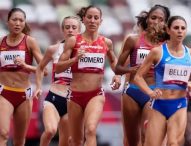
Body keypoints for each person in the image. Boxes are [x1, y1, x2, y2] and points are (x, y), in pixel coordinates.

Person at [55, 5, 121, 146]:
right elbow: (58, 68)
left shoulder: (106, 42)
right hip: (75, 96)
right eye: (89, 17)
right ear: (83, 20)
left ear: (100, 21)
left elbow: (114, 61)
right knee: (76, 140)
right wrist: (74, 60)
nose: (92, 20)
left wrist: (118, 75)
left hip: (95, 94)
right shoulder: (73, 41)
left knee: (90, 130)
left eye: (96, 18)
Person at [114, 4, 170, 146]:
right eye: (153, 18)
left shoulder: (167, 44)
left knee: (147, 136)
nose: (156, 22)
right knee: (131, 141)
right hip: (131, 91)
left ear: (165, 23)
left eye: (160, 19)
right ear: (147, 19)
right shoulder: (133, 40)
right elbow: (118, 68)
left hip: (152, 91)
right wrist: (130, 71)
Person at [134, 15, 190, 146]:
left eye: (183, 28)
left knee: (173, 143)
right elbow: (138, 77)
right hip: (159, 105)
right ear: (168, 30)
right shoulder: (157, 52)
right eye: (176, 28)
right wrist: (149, 92)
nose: (180, 31)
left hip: (179, 105)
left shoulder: (190, 55)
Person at [34, 16, 81, 146]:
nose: (70, 30)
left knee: (66, 141)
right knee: (50, 130)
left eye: (74, 27)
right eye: (67, 27)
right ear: (62, 30)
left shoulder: (84, 51)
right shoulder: (53, 49)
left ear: (79, 30)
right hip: (54, 97)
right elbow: (40, 68)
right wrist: (38, 86)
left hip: (73, 102)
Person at [0, 8, 43, 146]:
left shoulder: (30, 42)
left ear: (24, 23)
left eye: (21, 20)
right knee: (3, 133)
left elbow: (44, 69)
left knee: (19, 140)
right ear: (8, 22)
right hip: (4, 93)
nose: (18, 23)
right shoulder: (1, 42)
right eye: (14, 20)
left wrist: (26, 66)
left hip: (24, 95)